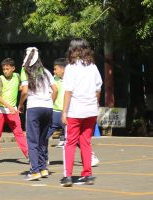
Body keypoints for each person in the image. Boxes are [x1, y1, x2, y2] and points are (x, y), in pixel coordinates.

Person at [60, 39, 102, 187]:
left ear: (72, 50)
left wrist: (64, 111)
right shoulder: (93, 67)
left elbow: (68, 92)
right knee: (85, 142)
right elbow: (98, 89)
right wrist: (95, 104)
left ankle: (68, 176)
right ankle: (88, 175)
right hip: (91, 110)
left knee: (70, 143)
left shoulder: (71, 68)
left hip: (75, 111)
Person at [45, 58, 100, 167]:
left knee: (77, 137)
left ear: (63, 69)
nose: (54, 71)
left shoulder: (73, 79)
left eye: (55, 69)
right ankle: (43, 158)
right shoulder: (53, 80)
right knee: (44, 135)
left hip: (69, 113)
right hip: (55, 112)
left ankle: (90, 157)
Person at [18, 47, 54, 181]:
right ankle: (43, 168)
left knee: (32, 141)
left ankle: (34, 171)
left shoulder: (25, 70)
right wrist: (50, 102)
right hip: (48, 108)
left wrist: (21, 104)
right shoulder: (46, 72)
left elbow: (25, 91)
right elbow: (54, 89)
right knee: (42, 140)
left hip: (34, 108)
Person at [0, 58, 28, 164]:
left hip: (12, 111)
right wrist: (9, 106)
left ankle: (28, 154)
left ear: (13, 68)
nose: (5, 71)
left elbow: (20, 87)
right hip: (0, 110)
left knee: (19, 133)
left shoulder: (17, 76)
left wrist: (23, 88)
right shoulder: (0, 79)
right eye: (4, 69)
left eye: (7, 69)